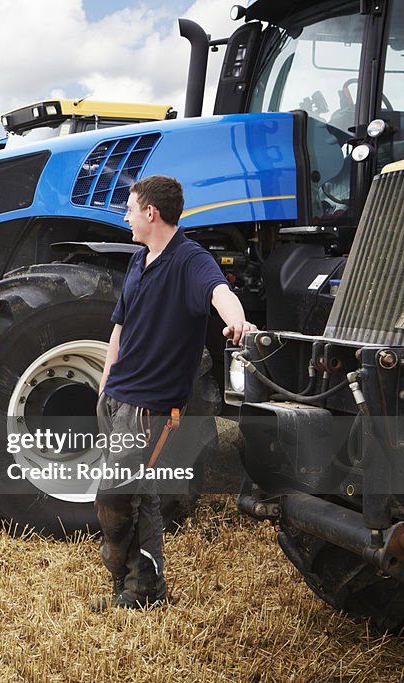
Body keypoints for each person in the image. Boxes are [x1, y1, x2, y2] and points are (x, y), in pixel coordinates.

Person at [92, 175, 255, 610]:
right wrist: (106, 379)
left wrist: (237, 320)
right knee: (138, 494)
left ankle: (122, 571)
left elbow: (221, 292)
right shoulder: (139, 259)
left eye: (130, 208)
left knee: (112, 495)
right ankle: (141, 591)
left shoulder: (190, 259)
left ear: (151, 212)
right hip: (116, 397)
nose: (125, 216)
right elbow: (120, 326)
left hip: (151, 406)